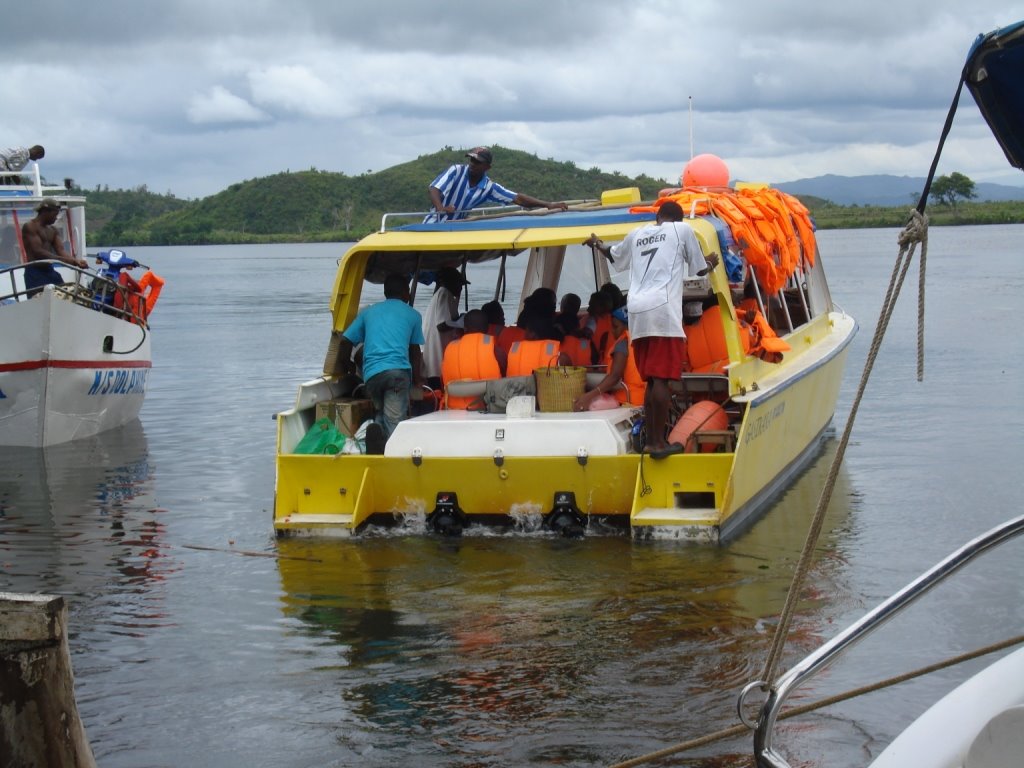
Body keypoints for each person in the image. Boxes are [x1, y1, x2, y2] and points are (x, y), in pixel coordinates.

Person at [584, 201, 717, 456]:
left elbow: (613, 255)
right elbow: (699, 269)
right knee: (663, 379)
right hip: (663, 310)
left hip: (636, 311)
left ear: (657, 217)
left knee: (652, 379)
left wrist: (597, 244)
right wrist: (711, 262)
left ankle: (650, 440)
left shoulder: (637, 234)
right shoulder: (682, 230)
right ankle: (657, 443)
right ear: (678, 219)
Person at [336, 274, 424, 453]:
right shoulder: (413, 315)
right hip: (397, 374)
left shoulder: (369, 312)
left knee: (380, 413)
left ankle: (377, 440)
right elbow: (415, 351)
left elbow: (345, 341)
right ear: (406, 293)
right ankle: (394, 456)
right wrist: (418, 380)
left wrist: (349, 369)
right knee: (394, 418)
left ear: (385, 292)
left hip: (372, 375)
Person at [425, 147, 568, 223]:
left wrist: (548, 205)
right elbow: (434, 188)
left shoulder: (488, 187)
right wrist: (440, 208)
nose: (472, 164)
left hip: (456, 229)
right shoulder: (456, 171)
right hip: (435, 224)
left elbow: (518, 198)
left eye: (477, 162)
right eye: (471, 160)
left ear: (487, 167)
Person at [573, 306, 645, 411]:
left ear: (627, 327)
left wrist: (589, 396)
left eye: (615, 327)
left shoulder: (623, 343)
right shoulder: (641, 342)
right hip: (642, 399)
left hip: (627, 400)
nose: (612, 331)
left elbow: (615, 377)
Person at [441, 309, 506, 409]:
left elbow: (443, 379)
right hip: (487, 409)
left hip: (453, 410)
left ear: (465, 328)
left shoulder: (449, 348)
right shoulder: (494, 350)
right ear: (487, 328)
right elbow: (507, 377)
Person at [21, 200, 88, 295]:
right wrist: (62, 260)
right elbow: (38, 252)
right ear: (45, 211)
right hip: (34, 271)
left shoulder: (53, 230)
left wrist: (76, 261)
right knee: (37, 300)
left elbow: (61, 250)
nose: (56, 218)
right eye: (55, 214)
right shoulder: (30, 226)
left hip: (49, 270)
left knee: (64, 295)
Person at [421, 266, 468, 388]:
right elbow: (442, 324)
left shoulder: (442, 294)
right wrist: (461, 323)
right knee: (437, 385)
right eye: (460, 284)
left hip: (434, 350)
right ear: (451, 282)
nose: (461, 288)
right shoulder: (444, 293)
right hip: (435, 352)